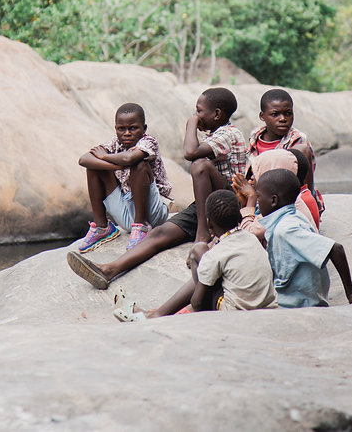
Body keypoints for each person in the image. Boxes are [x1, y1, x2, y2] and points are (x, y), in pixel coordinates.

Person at [67, 87, 248, 290]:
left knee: (199, 164)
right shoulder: (214, 135)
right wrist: (113, 161)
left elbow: (191, 152)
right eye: (195, 113)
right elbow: (85, 159)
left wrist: (191, 124)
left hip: (230, 200)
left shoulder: (230, 134)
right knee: (159, 234)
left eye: (199, 111)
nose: (196, 116)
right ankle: (109, 270)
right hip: (208, 204)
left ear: (216, 114)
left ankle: (202, 234)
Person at [114, 190, 277, 320]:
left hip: (235, 312)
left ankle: (157, 315)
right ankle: (158, 313)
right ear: (239, 217)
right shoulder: (251, 238)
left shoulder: (218, 254)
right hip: (265, 305)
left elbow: (198, 303)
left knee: (199, 253)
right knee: (207, 264)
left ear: (208, 223)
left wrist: (202, 271)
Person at [255, 168, 352, 308]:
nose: (257, 201)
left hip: (298, 305)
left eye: (259, 197)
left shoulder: (286, 229)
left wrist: (351, 294)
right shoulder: (293, 218)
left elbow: (335, 248)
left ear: (273, 200)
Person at [74, 102, 172, 253]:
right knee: (93, 167)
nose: (127, 133)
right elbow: (83, 159)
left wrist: (106, 157)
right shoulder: (115, 143)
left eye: (133, 128)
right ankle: (102, 228)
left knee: (139, 165)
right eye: (121, 129)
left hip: (152, 212)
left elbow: (130, 159)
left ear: (144, 128)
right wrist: (116, 165)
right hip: (126, 212)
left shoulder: (148, 141)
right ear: (116, 129)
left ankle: (142, 227)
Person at [247, 88, 323, 213]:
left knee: (302, 151)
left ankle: (308, 210)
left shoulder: (297, 139)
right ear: (262, 116)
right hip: (262, 196)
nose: (282, 118)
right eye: (275, 114)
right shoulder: (255, 137)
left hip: (290, 199)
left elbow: (301, 176)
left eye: (288, 113)